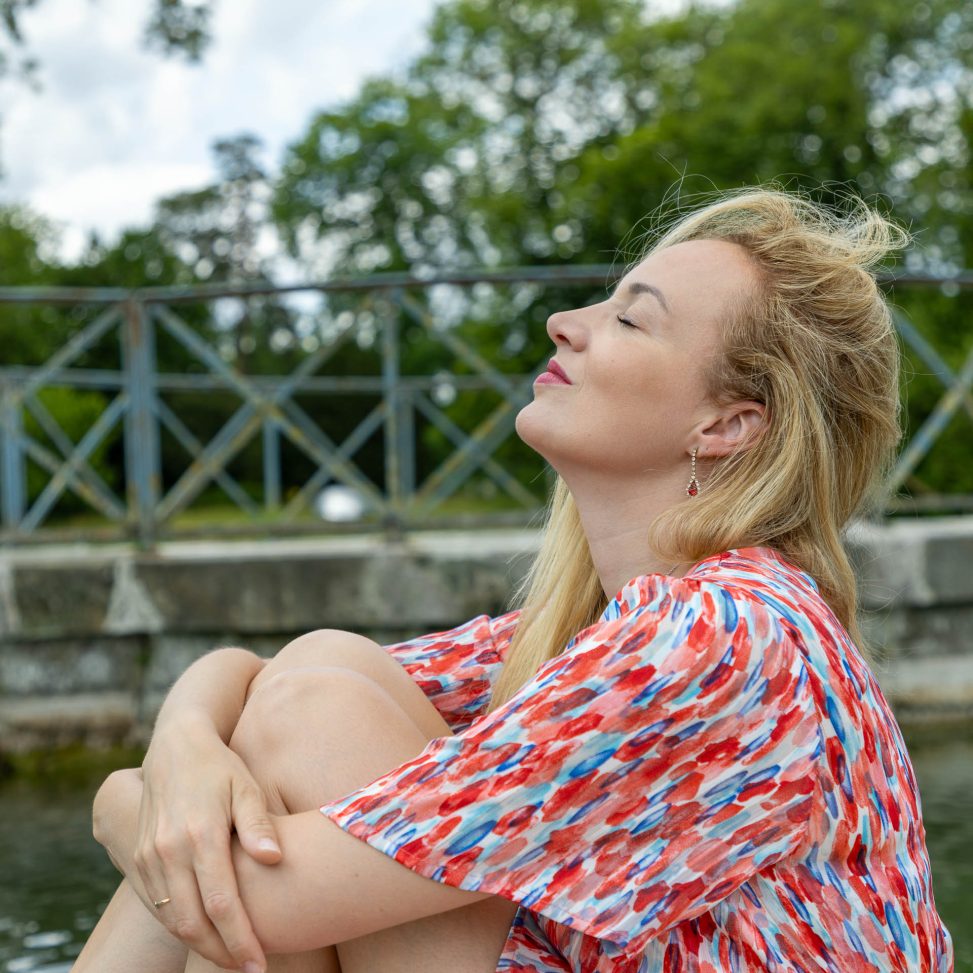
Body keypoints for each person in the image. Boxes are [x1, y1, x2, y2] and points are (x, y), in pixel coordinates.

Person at [74, 188, 954, 973]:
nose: (563, 322)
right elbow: (264, 689)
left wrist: (129, 802)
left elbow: (246, 903)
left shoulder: (724, 637)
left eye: (628, 319)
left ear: (727, 423)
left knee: (294, 739)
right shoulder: (599, 631)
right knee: (311, 681)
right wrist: (186, 738)